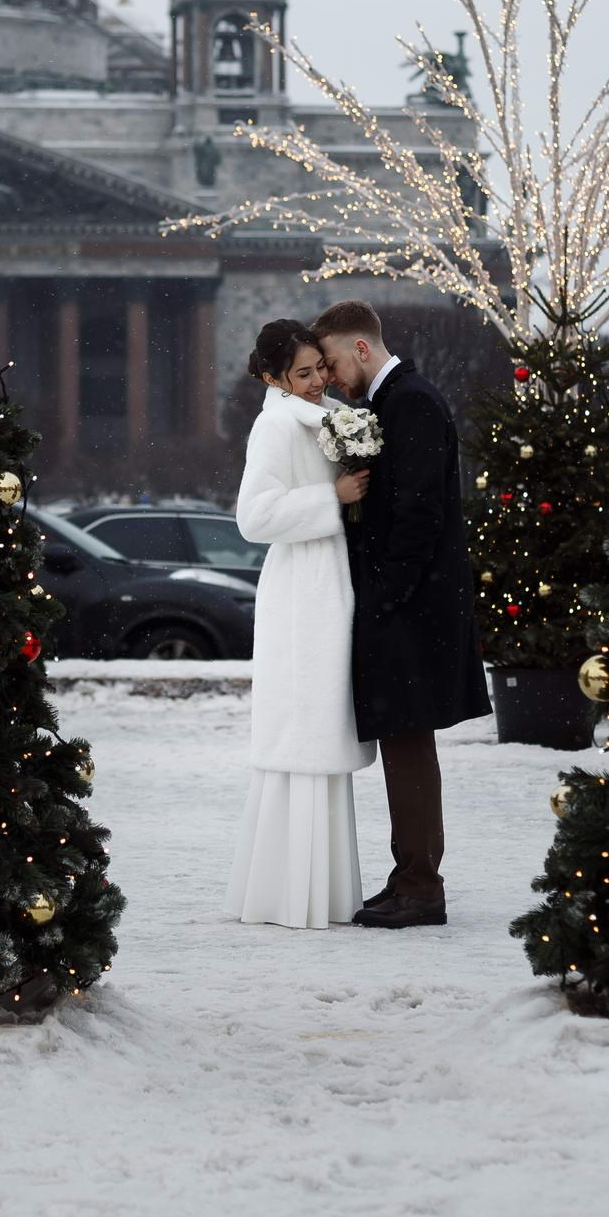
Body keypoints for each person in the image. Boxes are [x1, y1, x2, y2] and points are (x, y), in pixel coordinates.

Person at [313, 300, 489, 928]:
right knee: (403, 741)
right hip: (411, 600)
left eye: (331, 361)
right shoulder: (393, 402)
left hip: (411, 607)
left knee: (408, 742)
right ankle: (412, 876)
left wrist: (381, 595)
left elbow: (417, 514)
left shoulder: (408, 401)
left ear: (360, 349)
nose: (330, 376)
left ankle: (420, 885)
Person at [227, 318, 376, 929]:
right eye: (303, 373)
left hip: (325, 584)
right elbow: (252, 517)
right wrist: (331, 501)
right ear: (273, 377)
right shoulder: (274, 424)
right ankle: (292, 895)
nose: (318, 382)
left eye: (320, 368)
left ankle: (316, 891)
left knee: (318, 736)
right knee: (303, 735)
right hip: (301, 592)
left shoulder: (318, 419)